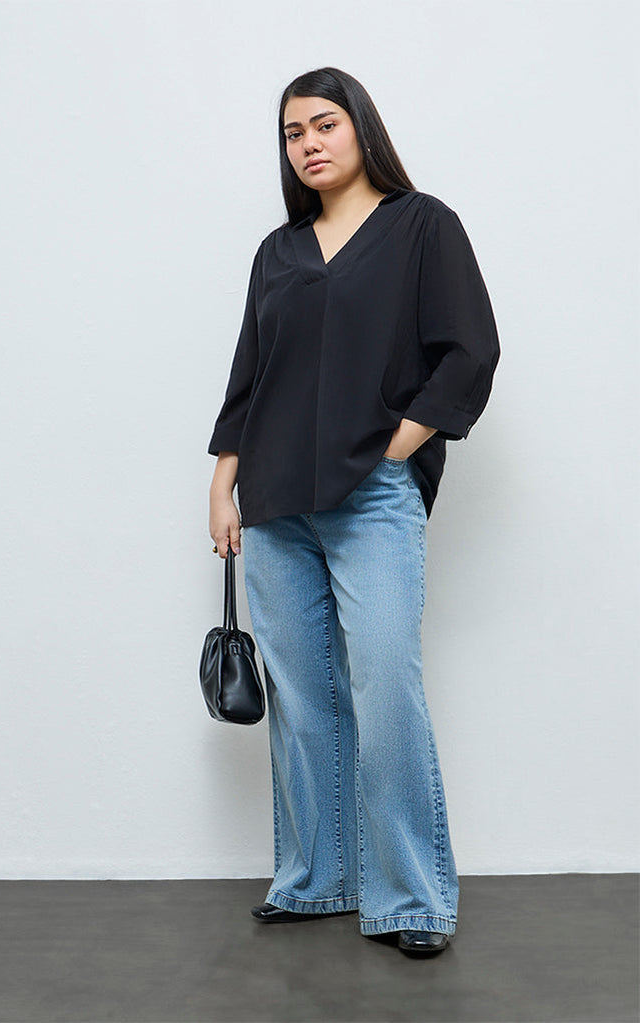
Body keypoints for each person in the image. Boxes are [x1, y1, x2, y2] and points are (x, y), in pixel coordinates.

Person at [207, 67, 500, 958]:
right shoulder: (277, 251)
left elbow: (469, 350)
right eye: (292, 132)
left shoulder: (421, 225)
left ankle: (412, 898)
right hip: (273, 500)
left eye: (324, 124)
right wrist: (222, 484)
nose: (308, 143)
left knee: (384, 684)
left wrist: (396, 445)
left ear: (360, 127)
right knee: (303, 698)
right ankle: (315, 881)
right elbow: (250, 374)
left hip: (371, 496)